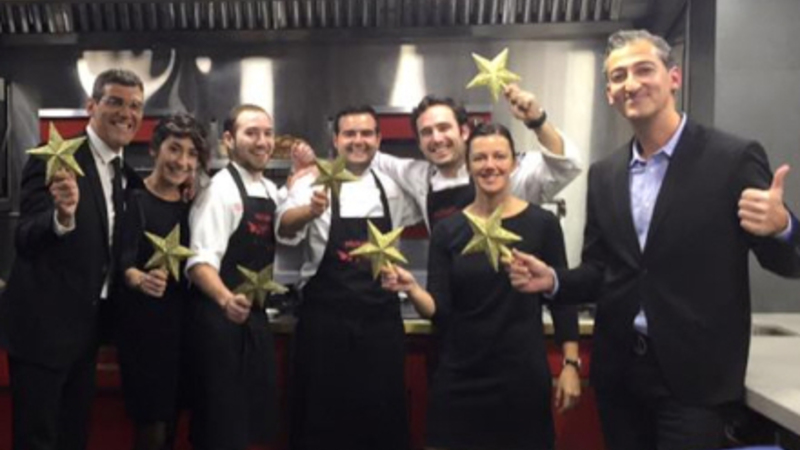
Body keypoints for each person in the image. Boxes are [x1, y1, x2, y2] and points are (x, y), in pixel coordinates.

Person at [510, 29, 800, 450]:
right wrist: (553, 280)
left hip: (695, 382)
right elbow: (602, 272)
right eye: (619, 76)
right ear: (610, 94)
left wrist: (784, 226)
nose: (631, 83)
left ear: (673, 78)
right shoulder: (605, 174)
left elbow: (788, 263)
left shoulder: (730, 159)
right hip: (620, 375)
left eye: (644, 70)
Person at [382, 122, 580, 450]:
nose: (490, 165)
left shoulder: (542, 224)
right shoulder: (448, 230)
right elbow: (440, 311)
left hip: (521, 378)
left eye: (499, 156)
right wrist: (413, 288)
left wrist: (570, 364)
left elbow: (563, 300)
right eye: (480, 158)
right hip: (460, 377)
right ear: (469, 165)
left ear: (514, 163)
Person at [0, 68, 145, 450]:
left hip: (86, 337)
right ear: (91, 106)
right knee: (37, 441)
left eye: (135, 106)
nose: (126, 113)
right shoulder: (55, 158)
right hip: (41, 334)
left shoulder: (127, 176)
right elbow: (24, 236)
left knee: (73, 438)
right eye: (115, 102)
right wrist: (61, 217)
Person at [277, 106, 421, 450]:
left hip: (380, 323)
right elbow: (283, 225)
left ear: (378, 139)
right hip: (324, 323)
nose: (358, 141)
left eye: (366, 133)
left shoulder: (393, 187)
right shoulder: (312, 182)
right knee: (321, 423)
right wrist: (309, 211)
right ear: (336, 140)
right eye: (350, 134)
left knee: (381, 420)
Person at [185, 104, 283, 450]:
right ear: (228, 140)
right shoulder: (219, 191)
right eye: (251, 133)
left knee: (249, 429)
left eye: (267, 133)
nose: (262, 141)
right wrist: (226, 299)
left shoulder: (270, 191)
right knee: (221, 429)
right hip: (218, 324)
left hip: (251, 322)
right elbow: (199, 262)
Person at [115, 113, 209, 450]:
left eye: (191, 154)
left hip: (185, 330)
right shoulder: (133, 199)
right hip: (145, 332)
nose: (182, 161)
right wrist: (139, 278)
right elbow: (122, 261)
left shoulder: (194, 205)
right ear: (154, 150)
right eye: (174, 149)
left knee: (173, 423)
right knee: (152, 424)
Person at [371, 87, 582, 231]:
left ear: (464, 131)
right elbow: (374, 158)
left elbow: (563, 167)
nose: (436, 138)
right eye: (426, 132)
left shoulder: (498, 170)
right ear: (419, 143)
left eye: (444, 128)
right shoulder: (419, 177)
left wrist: (537, 121)